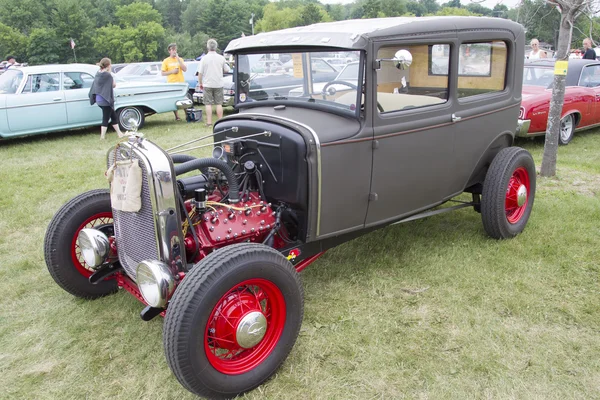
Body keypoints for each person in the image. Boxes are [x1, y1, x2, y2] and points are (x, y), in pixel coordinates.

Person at [88, 58, 126, 140]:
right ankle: (102, 137)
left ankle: (119, 133)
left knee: (113, 116)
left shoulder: (98, 73)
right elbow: (114, 85)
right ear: (108, 65)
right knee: (105, 118)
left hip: (99, 99)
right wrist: (110, 72)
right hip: (105, 100)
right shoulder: (107, 75)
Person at [197, 39, 230, 127]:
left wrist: (200, 83)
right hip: (218, 83)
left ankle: (209, 122)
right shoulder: (221, 58)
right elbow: (227, 69)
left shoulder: (204, 59)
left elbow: (200, 73)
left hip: (207, 84)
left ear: (207, 47)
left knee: (208, 104)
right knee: (219, 103)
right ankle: (220, 122)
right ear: (216, 47)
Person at [161, 43, 187, 121]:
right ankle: (177, 116)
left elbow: (185, 69)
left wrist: (178, 59)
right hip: (171, 83)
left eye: (175, 49)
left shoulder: (180, 59)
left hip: (181, 83)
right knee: (174, 100)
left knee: (183, 99)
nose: (174, 51)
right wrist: (172, 71)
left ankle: (187, 114)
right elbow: (162, 73)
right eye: (172, 49)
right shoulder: (166, 61)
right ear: (169, 51)